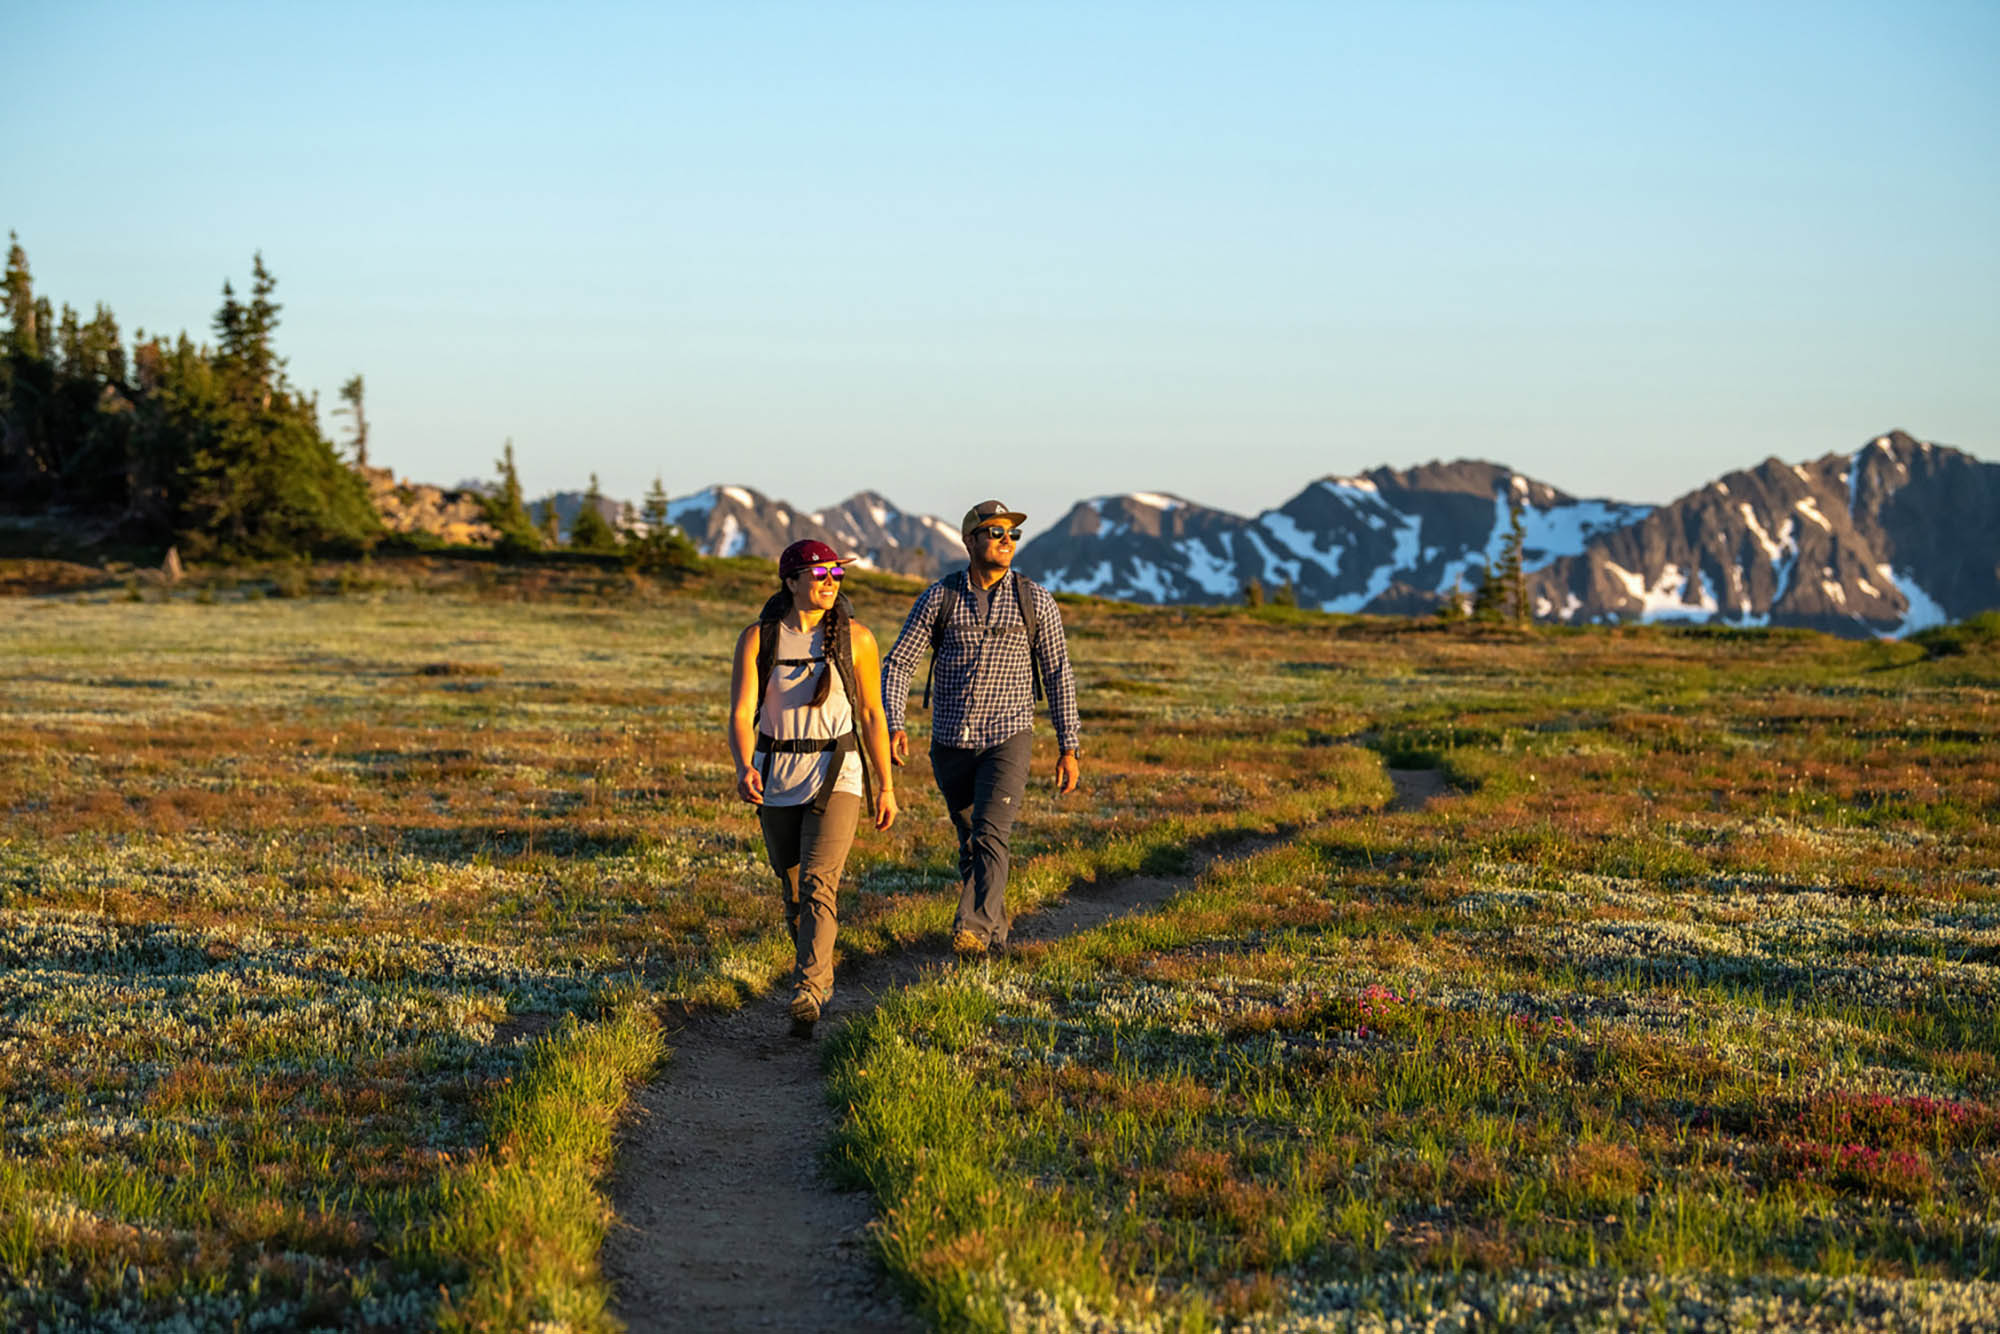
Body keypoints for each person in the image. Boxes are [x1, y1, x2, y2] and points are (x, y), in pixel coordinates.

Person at [881, 500, 1080, 957]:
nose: (1006, 541)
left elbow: (1058, 674)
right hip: (951, 740)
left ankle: (971, 928)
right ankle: (994, 938)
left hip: (1008, 735)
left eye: (1012, 534)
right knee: (973, 843)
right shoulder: (939, 597)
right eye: (995, 532)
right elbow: (899, 663)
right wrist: (895, 722)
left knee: (991, 832)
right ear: (970, 540)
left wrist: (1069, 746)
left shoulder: (1036, 601)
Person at [728, 540, 898, 1035]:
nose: (830, 583)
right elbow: (741, 713)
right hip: (776, 775)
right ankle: (817, 979)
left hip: (837, 773)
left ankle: (808, 988)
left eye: (836, 576)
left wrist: (885, 785)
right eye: (820, 574)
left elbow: (871, 713)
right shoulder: (759, 639)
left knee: (819, 884)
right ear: (791, 581)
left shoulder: (856, 638)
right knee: (793, 888)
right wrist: (744, 767)